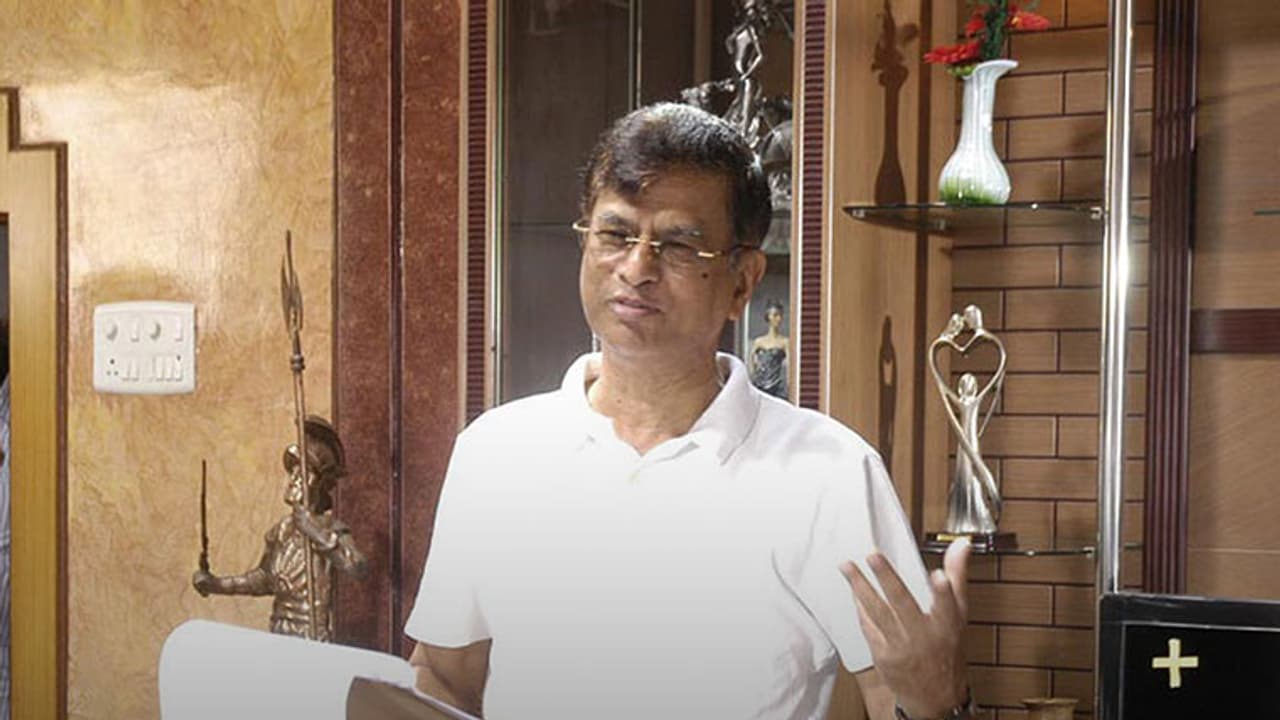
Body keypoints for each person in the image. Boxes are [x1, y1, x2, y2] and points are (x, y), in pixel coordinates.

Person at [406, 103, 972, 720]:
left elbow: (896, 693)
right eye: (615, 235)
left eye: (677, 245)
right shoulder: (496, 452)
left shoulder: (830, 472)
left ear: (743, 281)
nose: (636, 269)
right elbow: (443, 676)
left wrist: (933, 702)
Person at [192, 416, 367, 642]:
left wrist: (314, 531)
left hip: (312, 636)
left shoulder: (330, 528)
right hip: (279, 632)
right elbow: (265, 579)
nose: (293, 480)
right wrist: (218, 584)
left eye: (301, 474)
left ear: (319, 484)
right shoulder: (282, 530)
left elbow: (357, 566)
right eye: (292, 472)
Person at [748, 298, 789, 399]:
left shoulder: (784, 342)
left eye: (779, 315)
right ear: (768, 317)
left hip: (776, 386)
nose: (778, 319)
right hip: (760, 385)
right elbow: (751, 358)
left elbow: (789, 365)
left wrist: (788, 383)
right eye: (775, 315)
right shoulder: (759, 341)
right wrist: (753, 374)